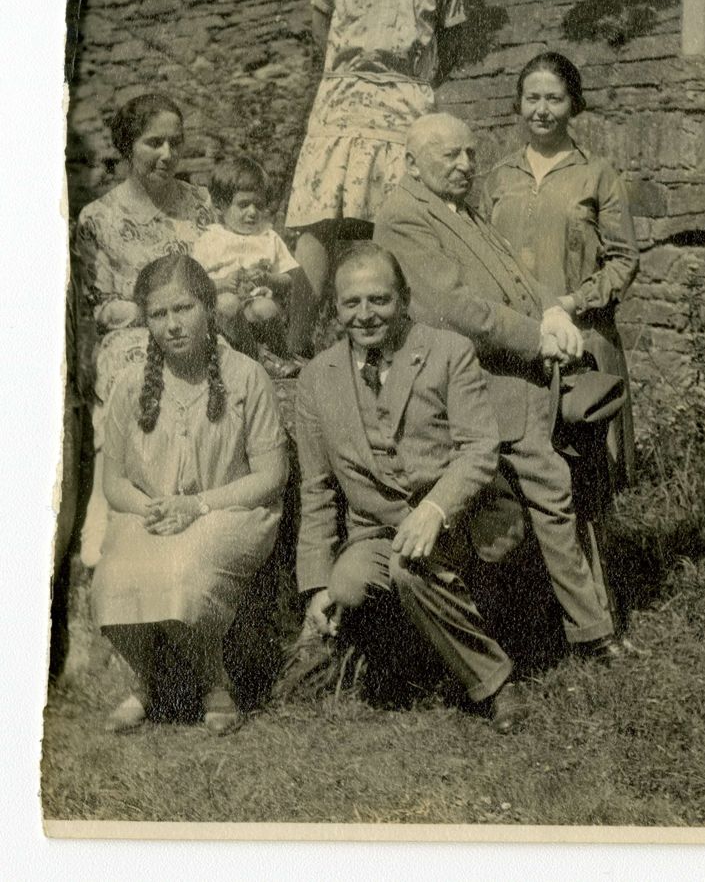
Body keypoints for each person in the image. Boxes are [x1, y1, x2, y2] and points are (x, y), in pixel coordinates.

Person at [373, 112, 624, 661]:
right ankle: (591, 635)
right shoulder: (402, 216)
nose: (465, 166)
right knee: (549, 494)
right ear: (412, 162)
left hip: (515, 372)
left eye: (470, 153)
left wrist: (553, 309)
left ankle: (576, 625)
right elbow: (452, 306)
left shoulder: (456, 206)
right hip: (481, 384)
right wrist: (537, 337)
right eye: (450, 156)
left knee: (562, 492)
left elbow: (508, 272)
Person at [294, 242, 524, 731]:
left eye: (379, 300)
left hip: (466, 519)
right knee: (349, 585)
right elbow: (316, 490)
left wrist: (437, 507)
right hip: (378, 530)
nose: (365, 315)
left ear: (404, 298)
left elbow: (481, 448)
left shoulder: (448, 352)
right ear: (335, 309)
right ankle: (415, 668)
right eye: (351, 303)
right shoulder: (317, 379)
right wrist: (315, 584)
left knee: (408, 567)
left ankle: (496, 682)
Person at [91, 255, 288, 735]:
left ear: (209, 310)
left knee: (185, 569)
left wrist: (196, 506)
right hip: (153, 512)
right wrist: (152, 508)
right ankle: (149, 678)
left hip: (230, 510)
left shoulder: (245, 377)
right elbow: (114, 482)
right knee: (112, 578)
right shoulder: (130, 385)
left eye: (184, 308)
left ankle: (213, 683)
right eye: (159, 314)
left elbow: (271, 474)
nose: (173, 325)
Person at [285, 0, 467, 306]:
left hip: (406, 99)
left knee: (401, 216)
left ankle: (401, 333)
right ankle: (297, 347)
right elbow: (321, 18)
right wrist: (348, 71)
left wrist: (415, 82)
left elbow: (451, 45)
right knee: (319, 216)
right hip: (344, 95)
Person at [482, 51, 640, 491]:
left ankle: (600, 560)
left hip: (582, 342)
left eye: (554, 98)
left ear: (573, 104)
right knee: (521, 475)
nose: (542, 110)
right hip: (518, 344)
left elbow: (624, 259)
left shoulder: (596, 174)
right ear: (519, 103)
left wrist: (571, 304)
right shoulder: (498, 178)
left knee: (588, 477)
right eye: (532, 98)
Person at [73, 93, 217, 565]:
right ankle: (104, 502)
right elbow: (101, 308)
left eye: (175, 142)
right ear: (127, 146)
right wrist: (153, 313)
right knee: (132, 366)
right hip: (135, 334)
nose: (168, 155)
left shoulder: (200, 203)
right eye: (154, 142)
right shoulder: (98, 219)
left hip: (198, 326)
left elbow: (221, 269)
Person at [192, 154, 315, 360]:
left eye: (258, 205)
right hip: (225, 316)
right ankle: (255, 357)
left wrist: (267, 279)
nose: (252, 212)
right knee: (227, 304)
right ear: (221, 206)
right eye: (243, 205)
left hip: (258, 311)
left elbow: (288, 279)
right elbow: (195, 284)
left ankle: (280, 356)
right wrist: (223, 283)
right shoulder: (210, 239)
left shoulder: (267, 237)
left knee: (264, 307)